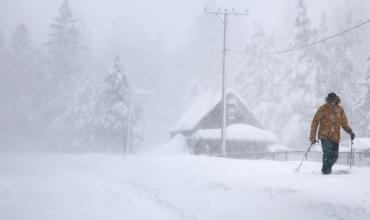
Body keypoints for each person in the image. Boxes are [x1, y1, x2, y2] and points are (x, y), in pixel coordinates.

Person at [310, 92, 355, 174]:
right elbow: (315, 122)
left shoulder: (340, 109)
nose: (332, 102)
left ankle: (327, 169)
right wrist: (312, 137)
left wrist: (350, 131)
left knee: (335, 156)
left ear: (336, 99)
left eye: (334, 100)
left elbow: (344, 123)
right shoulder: (323, 109)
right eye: (331, 100)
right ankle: (326, 172)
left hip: (335, 137)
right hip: (324, 135)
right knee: (327, 154)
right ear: (328, 100)